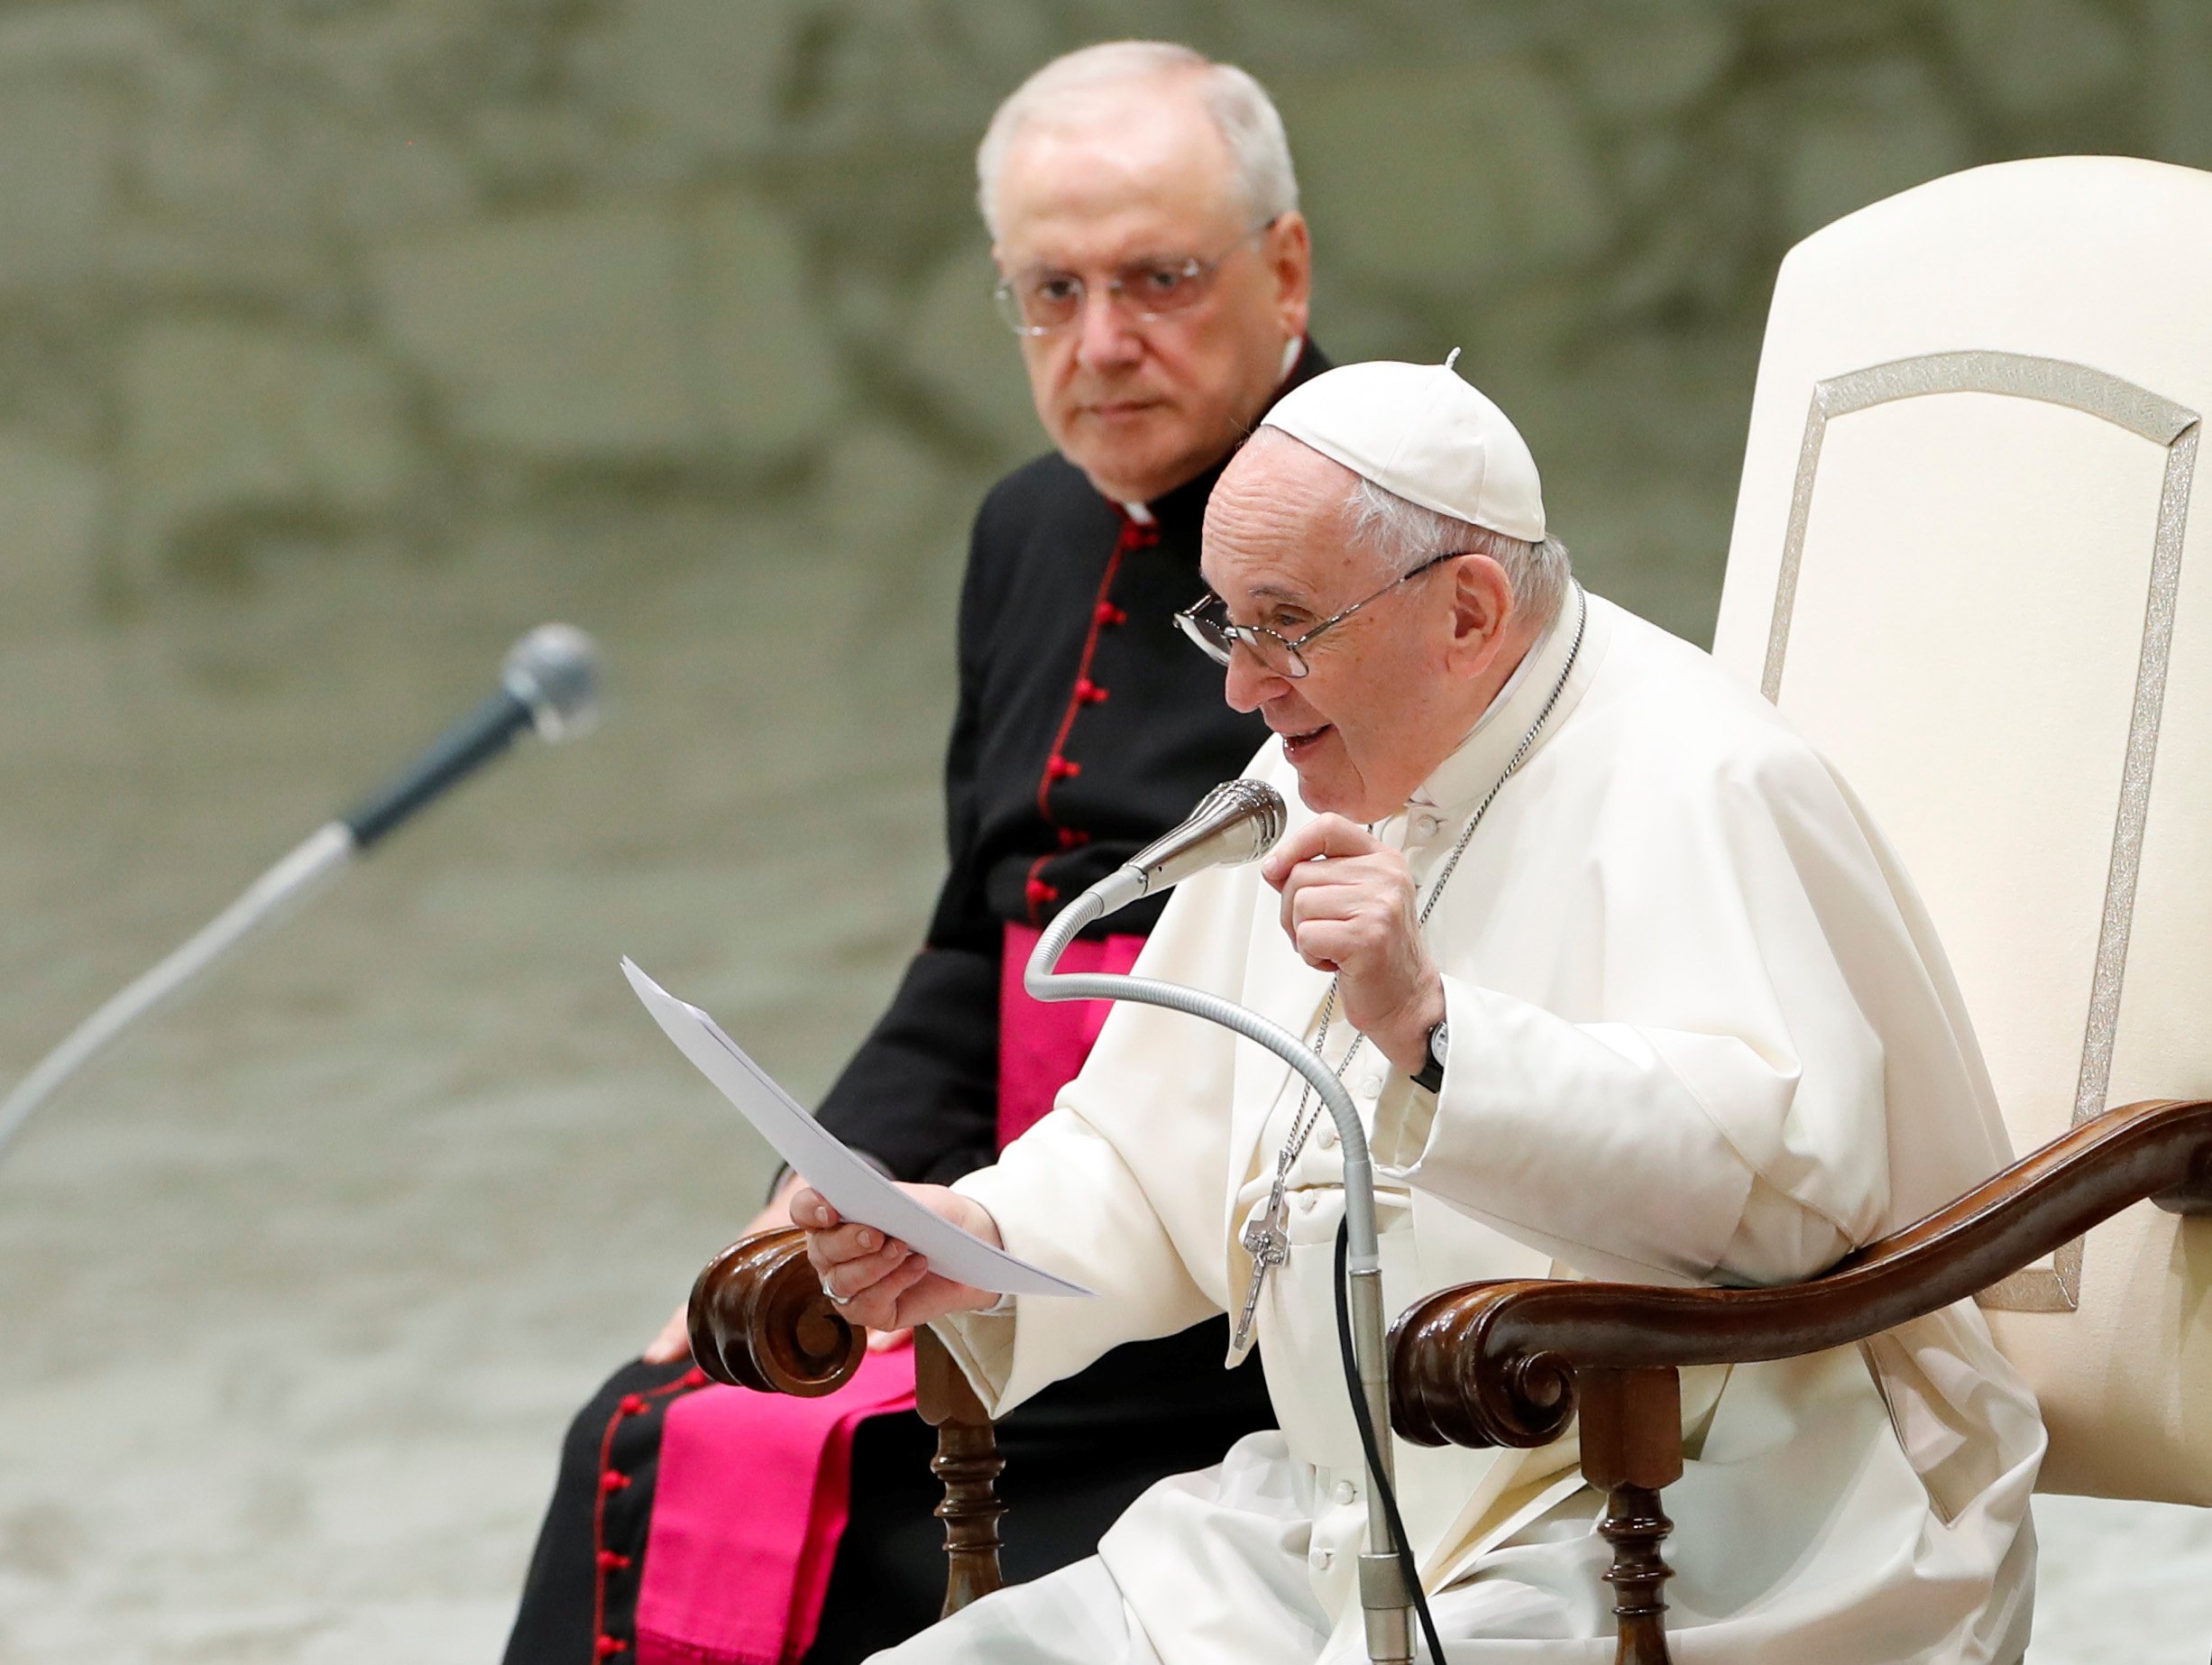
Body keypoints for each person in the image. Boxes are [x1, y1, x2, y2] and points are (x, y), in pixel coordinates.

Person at [800, 358, 2047, 1661]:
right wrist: (976, 1230)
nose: (1241, 686)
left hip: (1694, 1511)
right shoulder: (1306, 762)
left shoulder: (1706, 777)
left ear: (1466, 611)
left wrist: (1435, 1034)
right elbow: (1147, 1149)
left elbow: (1784, 1205)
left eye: (1283, 623)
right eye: (1223, 622)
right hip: (1351, 1518)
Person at [504, 41, 1329, 1665]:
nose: (1102, 343)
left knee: (865, 1503)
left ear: (1283, 266)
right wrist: (800, 1204)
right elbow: (977, 939)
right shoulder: (1026, 526)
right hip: (973, 1226)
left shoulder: (1365, 529)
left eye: (1158, 278)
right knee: (646, 1422)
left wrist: (1007, 1229)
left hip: (1204, 1284)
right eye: (1049, 290)